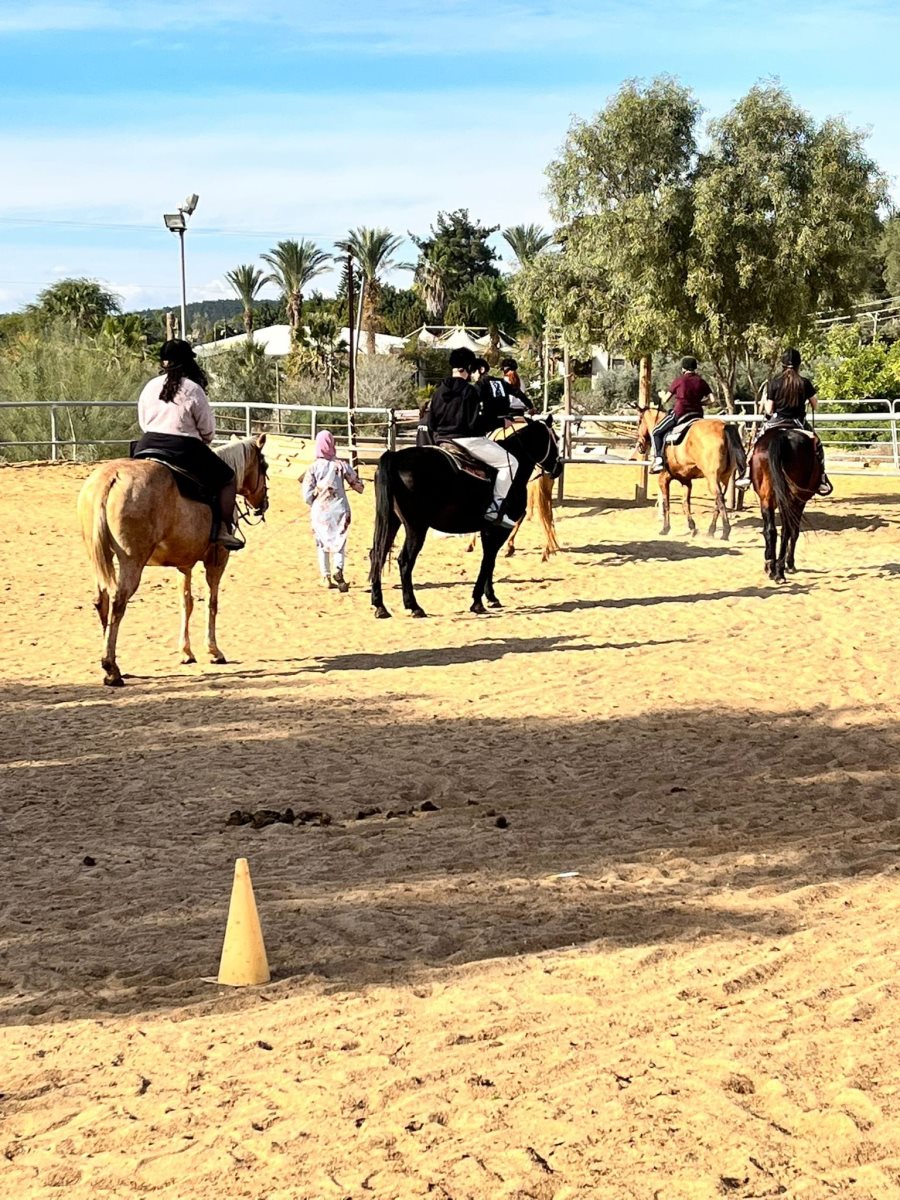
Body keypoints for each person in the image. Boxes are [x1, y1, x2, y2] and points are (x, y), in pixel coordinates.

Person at [133, 339, 243, 550]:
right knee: (228, 479)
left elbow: (143, 422)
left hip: (147, 443)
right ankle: (223, 529)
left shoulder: (150, 386)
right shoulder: (193, 389)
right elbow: (207, 430)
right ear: (187, 362)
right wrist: (203, 441)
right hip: (183, 448)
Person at [427, 347, 516, 528]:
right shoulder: (470, 391)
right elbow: (475, 424)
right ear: (468, 368)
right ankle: (495, 508)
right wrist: (500, 423)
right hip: (468, 440)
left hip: (442, 441)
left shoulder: (438, 391)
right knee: (510, 463)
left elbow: (431, 424)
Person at [734, 349, 833, 496]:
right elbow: (815, 405)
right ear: (799, 364)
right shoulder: (804, 382)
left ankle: (747, 474)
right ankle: (822, 478)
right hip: (798, 423)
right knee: (817, 445)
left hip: (776, 420)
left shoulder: (774, 382)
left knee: (756, 443)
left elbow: (769, 409)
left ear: (782, 364)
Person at [302, 430, 365, 591]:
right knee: (339, 541)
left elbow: (306, 495)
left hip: (320, 512)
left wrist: (315, 499)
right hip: (340, 510)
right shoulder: (341, 465)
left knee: (321, 543)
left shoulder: (313, 468)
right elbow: (358, 486)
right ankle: (338, 569)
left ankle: (326, 576)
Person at [650, 356, 711, 473]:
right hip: (697, 414)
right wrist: (700, 403)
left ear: (683, 368)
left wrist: (661, 395)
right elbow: (712, 400)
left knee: (656, 432)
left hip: (680, 413)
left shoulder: (679, 381)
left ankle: (658, 460)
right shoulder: (701, 381)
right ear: (695, 368)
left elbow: (665, 400)